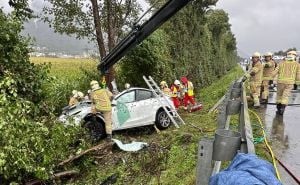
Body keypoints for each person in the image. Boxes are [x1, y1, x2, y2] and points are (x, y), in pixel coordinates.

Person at [271, 51, 300, 115]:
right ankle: (282, 109)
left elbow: (275, 71)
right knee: (285, 96)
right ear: (295, 56)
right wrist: (297, 83)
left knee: (279, 95)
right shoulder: (297, 64)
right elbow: (298, 75)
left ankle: (278, 107)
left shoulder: (281, 63)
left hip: (280, 82)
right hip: (290, 83)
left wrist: (271, 78)